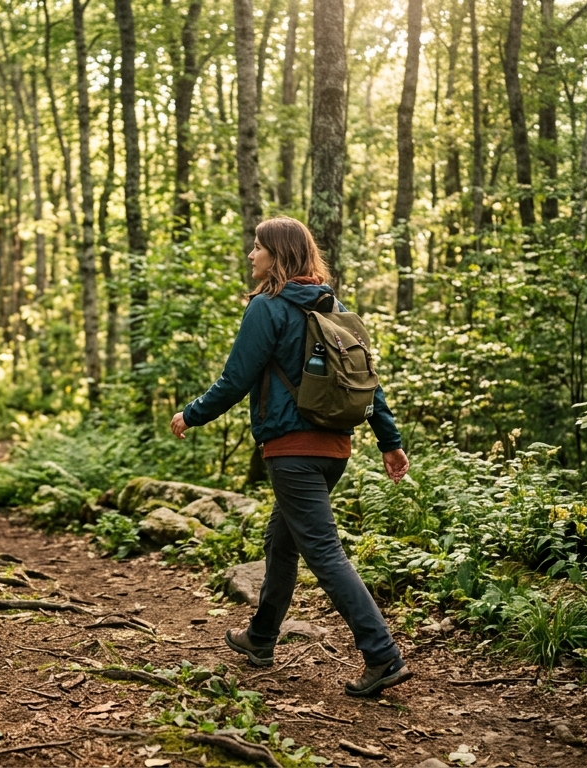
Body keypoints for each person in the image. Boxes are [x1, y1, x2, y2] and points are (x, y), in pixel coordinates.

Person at [169, 216, 413, 698]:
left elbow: (236, 378)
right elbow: (368, 385)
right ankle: (261, 638)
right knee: (282, 542)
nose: (251, 255)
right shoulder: (332, 306)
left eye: (257, 247)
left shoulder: (267, 307)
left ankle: (381, 654)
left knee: (323, 551)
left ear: (277, 255)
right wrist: (389, 441)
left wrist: (192, 414)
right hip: (332, 451)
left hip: (293, 451)